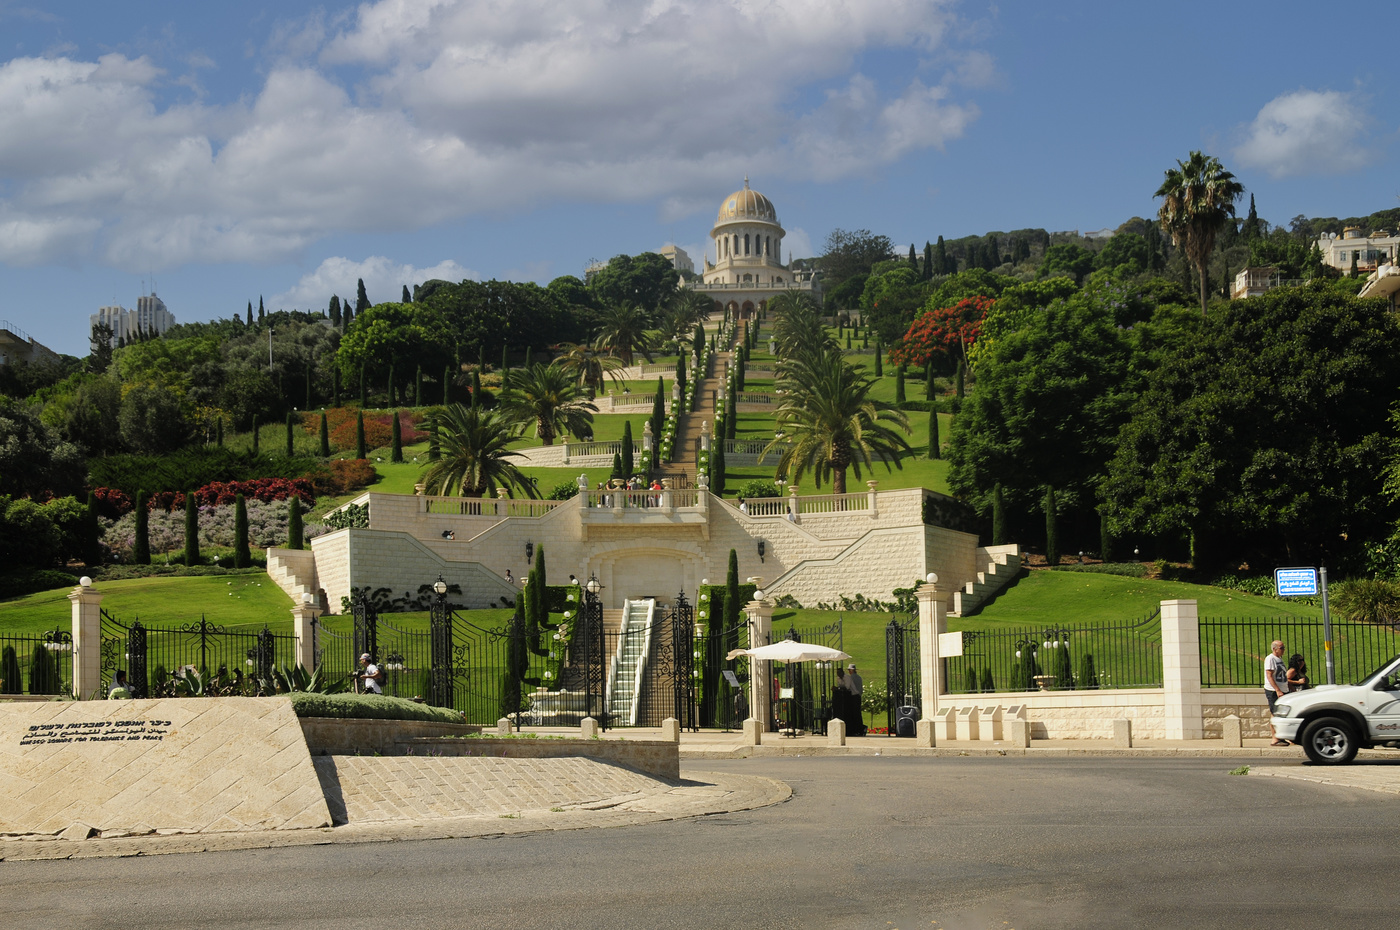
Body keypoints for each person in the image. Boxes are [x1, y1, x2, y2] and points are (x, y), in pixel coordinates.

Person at [1265, 640, 1289, 746]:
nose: (1283, 650)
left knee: (1281, 714)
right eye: (1281, 648)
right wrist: (1277, 690)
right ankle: (1275, 738)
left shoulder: (1279, 659)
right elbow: (1269, 675)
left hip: (1283, 690)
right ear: (1275, 649)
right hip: (1273, 691)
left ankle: (1281, 736)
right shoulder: (1270, 659)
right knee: (1274, 713)